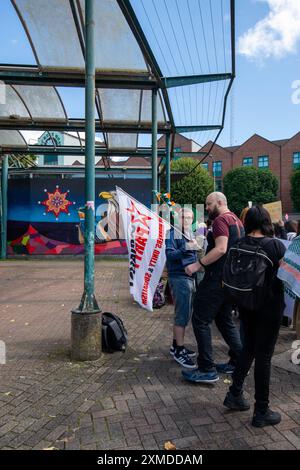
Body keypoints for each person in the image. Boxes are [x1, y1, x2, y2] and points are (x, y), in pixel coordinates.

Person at [223, 206, 286, 428]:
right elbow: (286, 274)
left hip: (245, 304)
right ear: (267, 221)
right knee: (264, 355)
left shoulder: (238, 243)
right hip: (269, 307)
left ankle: (235, 393)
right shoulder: (275, 245)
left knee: (248, 348)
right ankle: (261, 410)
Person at [182, 192, 244, 383]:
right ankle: (240, 362)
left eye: (208, 204)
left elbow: (221, 248)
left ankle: (207, 369)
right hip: (230, 282)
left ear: (219, 202)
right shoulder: (237, 221)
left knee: (200, 320)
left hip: (216, 280)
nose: (207, 208)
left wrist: (197, 264)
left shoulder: (220, 221)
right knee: (224, 320)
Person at [165, 207, 198, 368]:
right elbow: (169, 255)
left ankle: (176, 345)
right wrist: (187, 247)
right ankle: (179, 349)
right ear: (177, 218)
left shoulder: (189, 234)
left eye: (189, 218)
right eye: (183, 217)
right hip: (179, 277)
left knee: (185, 313)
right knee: (182, 315)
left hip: (189, 278)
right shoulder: (172, 234)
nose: (186, 220)